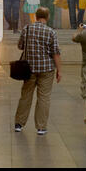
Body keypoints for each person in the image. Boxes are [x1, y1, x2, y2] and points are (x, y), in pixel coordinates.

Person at [15, 7, 62, 135]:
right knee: (44, 98)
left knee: (26, 96)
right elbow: (55, 53)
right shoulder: (51, 32)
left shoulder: (27, 29)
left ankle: (19, 124)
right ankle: (41, 127)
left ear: (35, 16)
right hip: (47, 70)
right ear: (47, 17)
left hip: (29, 69)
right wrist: (59, 70)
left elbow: (20, 46)